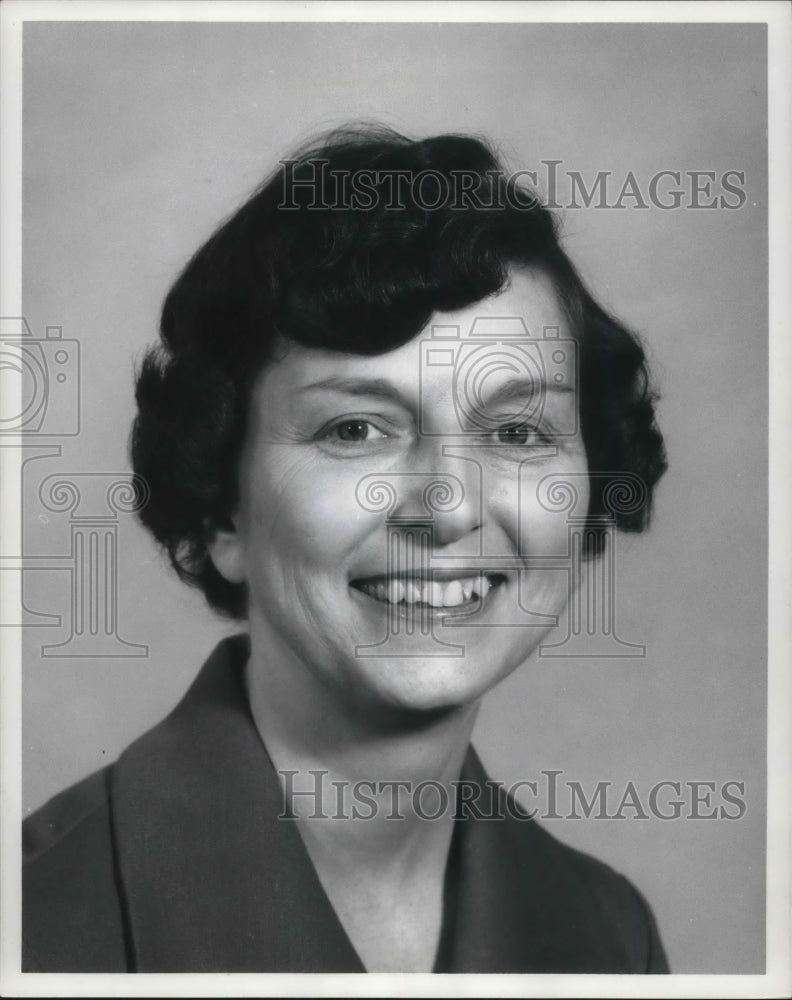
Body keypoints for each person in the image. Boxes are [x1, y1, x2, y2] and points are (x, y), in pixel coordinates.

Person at [23, 125, 669, 973]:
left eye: (517, 430)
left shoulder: (610, 936)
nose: (447, 506)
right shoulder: (35, 925)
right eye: (355, 428)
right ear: (223, 515)